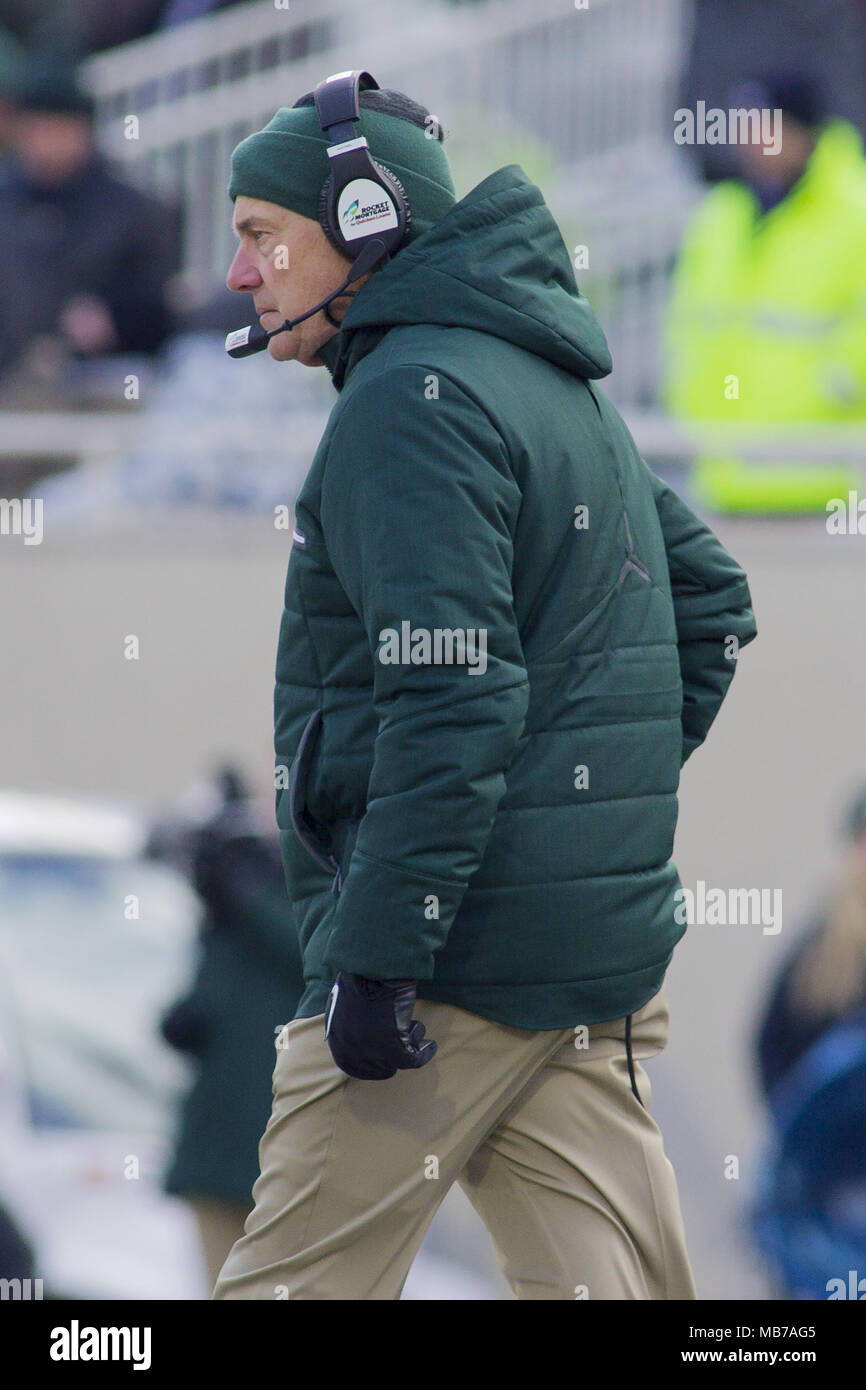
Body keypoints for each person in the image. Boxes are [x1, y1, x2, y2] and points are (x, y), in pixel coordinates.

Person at [213, 71, 758, 1301]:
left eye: (259, 236)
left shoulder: (406, 403)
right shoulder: (542, 383)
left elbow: (452, 696)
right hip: (576, 968)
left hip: (437, 973)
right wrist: (571, 823)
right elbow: (708, 602)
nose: (242, 276)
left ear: (361, 222)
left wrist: (378, 954)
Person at [664, 72, 866, 514]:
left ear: (803, 130)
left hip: (827, 485)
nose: (752, 139)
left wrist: (836, 386)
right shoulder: (720, 215)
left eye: (766, 124)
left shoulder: (855, 213)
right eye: (746, 124)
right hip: (724, 485)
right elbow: (687, 326)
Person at [156, 769, 306, 1290]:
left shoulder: (305, 876)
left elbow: (315, 957)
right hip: (220, 1137)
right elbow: (210, 994)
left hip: (279, 1137)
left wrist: (249, 892)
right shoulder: (242, 886)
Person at [0, 51, 182, 403]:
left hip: (101, 384)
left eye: (57, 127)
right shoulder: (7, 201)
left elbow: (161, 306)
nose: (44, 141)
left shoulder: (132, 208)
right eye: (36, 128)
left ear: (83, 129)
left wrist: (112, 320)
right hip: (13, 382)